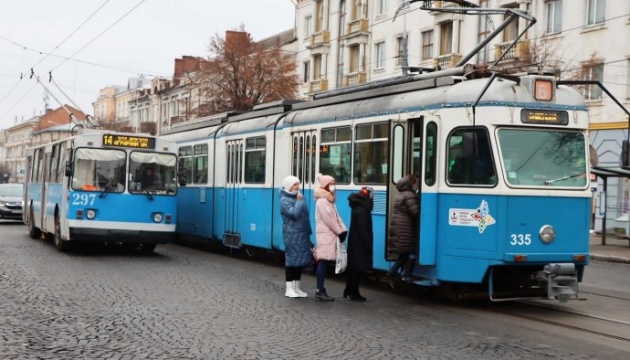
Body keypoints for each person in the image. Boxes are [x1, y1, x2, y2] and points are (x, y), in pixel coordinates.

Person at [314, 173, 347, 301]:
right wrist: (340, 231)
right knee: (323, 261)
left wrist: (342, 230)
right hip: (326, 235)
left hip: (329, 234)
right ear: (325, 186)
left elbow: (336, 217)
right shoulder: (323, 201)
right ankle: (319, 290)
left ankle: (321, 290)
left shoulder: (329, 199)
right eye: (331, 184)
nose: (333, 186)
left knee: (325, 261)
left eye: (334, 183)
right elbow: (330, 220)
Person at [279, 175, 313, 298]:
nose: (297, 186)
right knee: (292, 260)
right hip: (292, 233)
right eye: (294, 184)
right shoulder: (284, 200)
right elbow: (294, 214)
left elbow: (305, 216)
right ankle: (289, 288)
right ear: (289, 186)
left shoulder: (299, 197)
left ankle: (296, 287)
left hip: (302, 233)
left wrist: (308, 231)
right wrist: (299, 202)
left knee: (300, 261)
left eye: (298, 184)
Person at [387, 174, 419, 287]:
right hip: (406, 229)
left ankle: (392, 272)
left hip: (399, 228)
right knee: (412, 252)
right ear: (411, 184)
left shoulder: (401, 194)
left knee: (405, 252)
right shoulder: (410, 195)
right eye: (415, 183)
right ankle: (406, 275)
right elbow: (415, 212)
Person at [344, 186, 374, 302]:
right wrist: (367, 244)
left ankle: (349, 290)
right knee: (356, 269)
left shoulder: (357, 206)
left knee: (353, 269)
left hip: (355, 242)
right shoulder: (363, 210)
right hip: (360, 244)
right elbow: (363, 229)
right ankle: (353, 292)